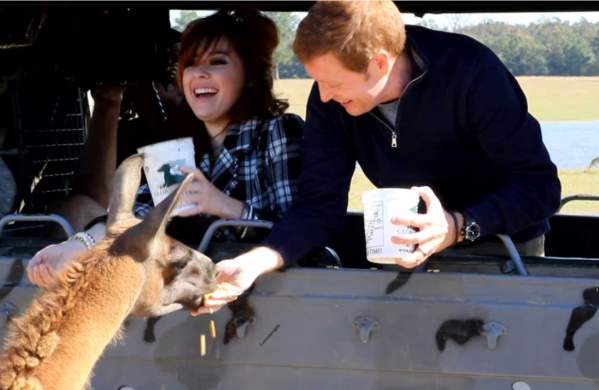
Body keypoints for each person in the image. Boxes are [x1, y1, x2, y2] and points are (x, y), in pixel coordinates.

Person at [196, 0, 561, 315]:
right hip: (403, 253)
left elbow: (540, 187)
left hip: (503, 250)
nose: (322, 98)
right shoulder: (330, 103)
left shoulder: (471, 72)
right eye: (317, 82)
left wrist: (456, 226)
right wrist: (258, 260)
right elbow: (318, 206)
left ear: (381, 64)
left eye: (334, 84)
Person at [26, 7, 304, 288]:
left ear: (250, 75)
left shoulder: (277, 132)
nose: (200, 73)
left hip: (270, 294)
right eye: (192, 63)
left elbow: (300, 231)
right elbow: (135, 213)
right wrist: (77, 246)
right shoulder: (182, 146)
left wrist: (225, 206)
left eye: (217, 62)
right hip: (187, 294)